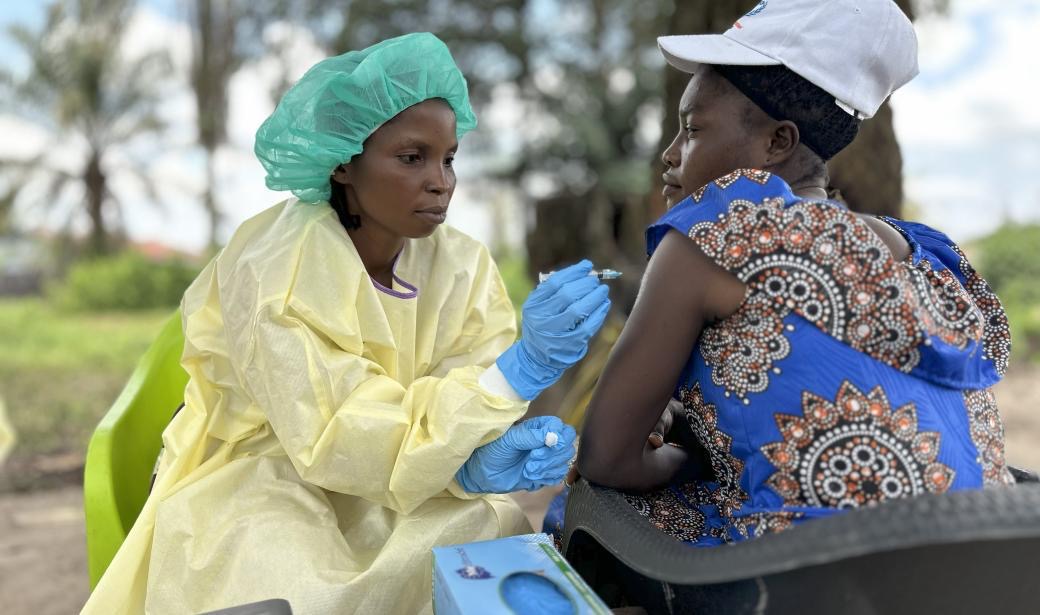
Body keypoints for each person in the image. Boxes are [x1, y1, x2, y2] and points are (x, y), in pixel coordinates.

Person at [83, 33, 610, 614]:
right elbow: (332, 430)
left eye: (449, 157)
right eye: (413, 158)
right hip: (265, 474)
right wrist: (520, 372)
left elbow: (468, 388)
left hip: (406, 477)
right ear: (343, 163)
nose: (442, 181)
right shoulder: (275, 264)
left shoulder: (461, 265)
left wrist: (477, 457)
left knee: (491, 542)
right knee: (292, 584)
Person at [574, 0, 1015, 546]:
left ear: (776, 143)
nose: (669, 154)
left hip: (816, 575)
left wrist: (687, 459)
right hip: (990, 553)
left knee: (589, 504)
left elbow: (606, 457)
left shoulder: (720, 230)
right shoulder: (919, 252)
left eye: (691, 130)